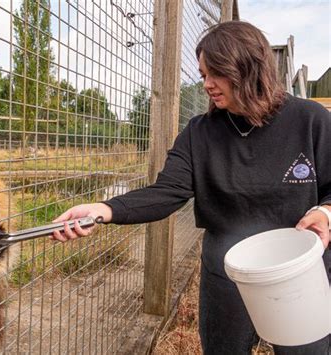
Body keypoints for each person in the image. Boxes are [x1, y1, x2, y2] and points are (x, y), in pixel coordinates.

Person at [50, 21, 331, 354]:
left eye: (216, 74)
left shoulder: (310, 120)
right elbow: (166, 192)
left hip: (296, 270)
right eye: (202, 76)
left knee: (306, 350)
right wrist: (104, 209)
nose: (207, 85)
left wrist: (325, 211)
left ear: (248, 68)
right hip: (228, 271)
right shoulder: (200, 132)